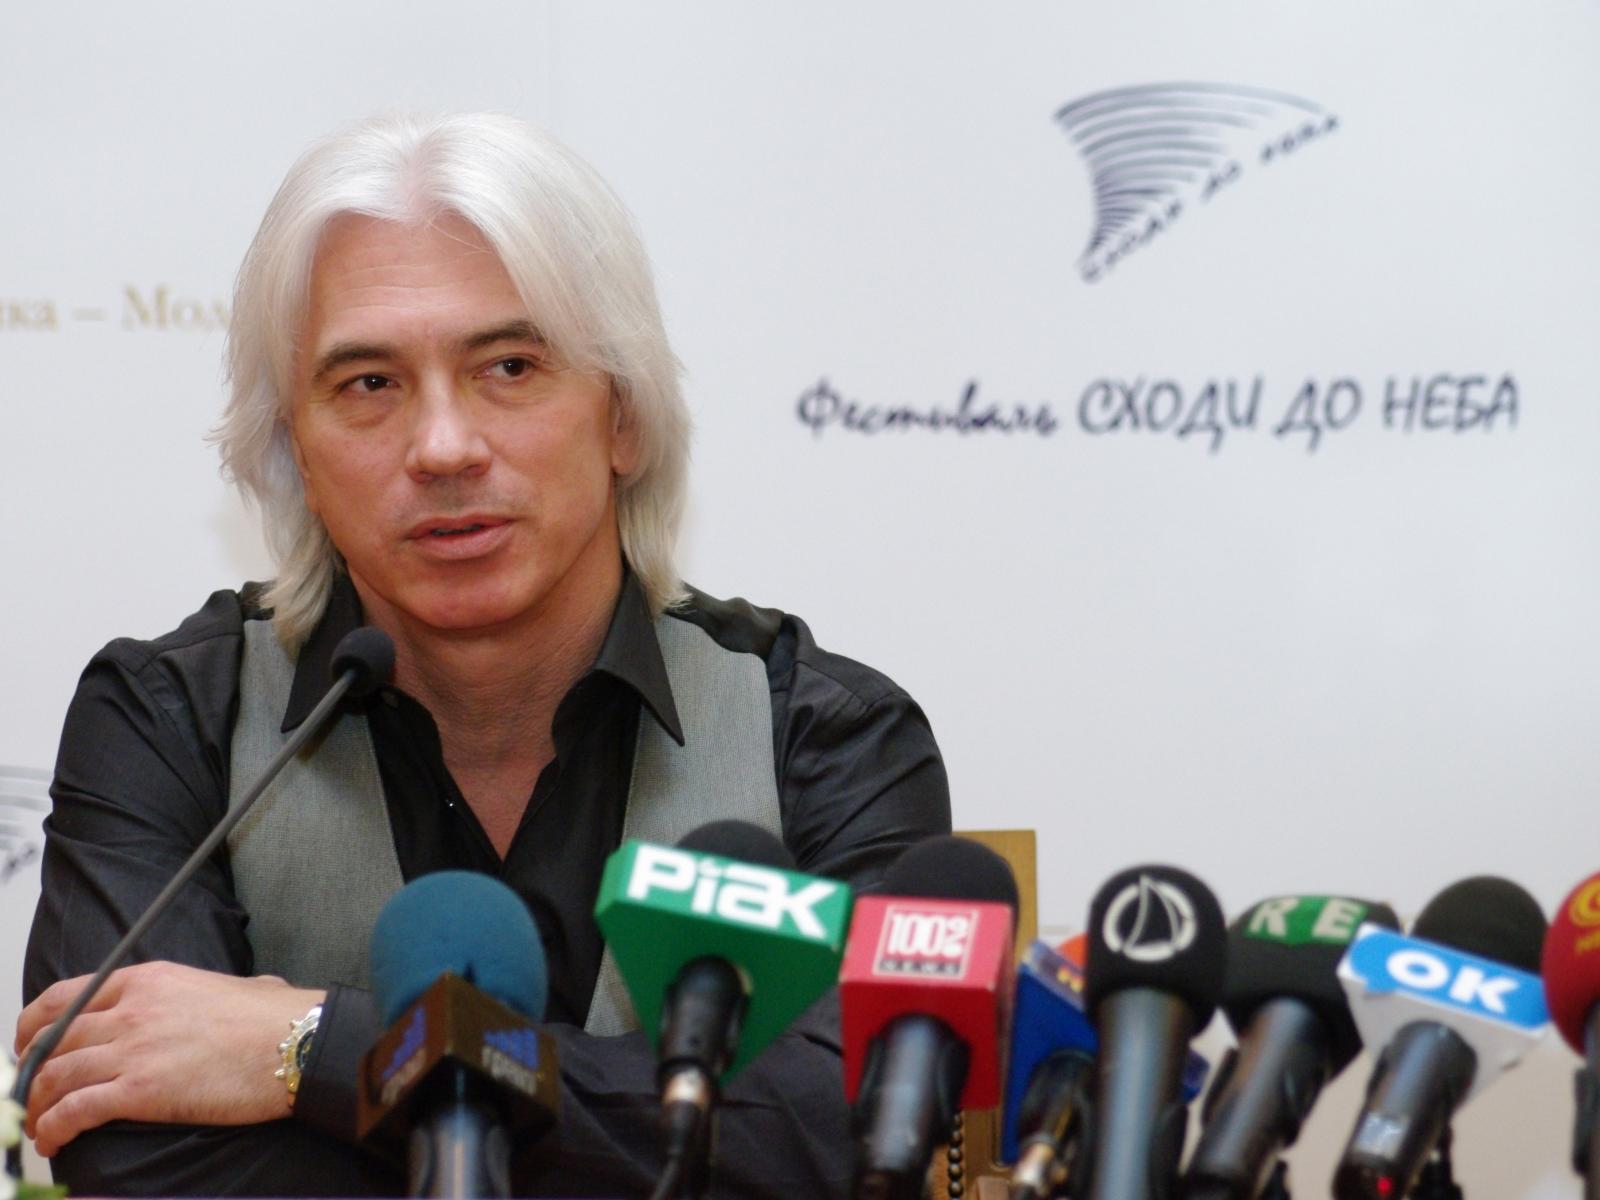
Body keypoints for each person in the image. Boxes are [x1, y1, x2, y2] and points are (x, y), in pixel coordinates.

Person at [16, 113, 950, 1197]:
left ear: (623, 418)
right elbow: (133, 1148)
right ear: (295, 451)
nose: (444, 447)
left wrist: (316, 1049)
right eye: (369, 384)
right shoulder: (169, 717)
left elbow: (850, 1135)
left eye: (509, 366)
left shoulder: (827, 737)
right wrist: (653, 1127)